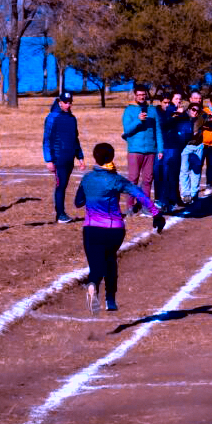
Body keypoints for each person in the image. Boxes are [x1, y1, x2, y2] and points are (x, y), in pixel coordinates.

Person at [74, 143, 165, 313]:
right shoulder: (116, 179)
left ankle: (93, 286)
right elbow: (138, 193)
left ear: (95, 158)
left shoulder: (87, 178)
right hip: (114, 230)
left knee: (96, 267)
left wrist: (92, 196)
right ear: (112, 157)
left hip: (92, 229)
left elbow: (78, 202)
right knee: (110, 260)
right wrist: (156, 214)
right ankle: (111, 299)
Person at [42, 91, 86, 223]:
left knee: (64, 185)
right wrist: (48, 159)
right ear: (59, 103)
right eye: (65, 102)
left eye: (69, 102)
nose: (68, 105)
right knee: (60, 186)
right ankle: (60, 214)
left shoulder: (72, 119)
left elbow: (75, 139)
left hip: (69, 157)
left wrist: (80, 157)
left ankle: (61, 213)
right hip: (58, 158)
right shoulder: (51, 117)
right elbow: (46, 140)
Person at [121, 85, 163, 214]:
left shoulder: (152, 110)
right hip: (135, 150)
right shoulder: (129, 110)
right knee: (133, 179)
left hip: (150, 150)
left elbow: (158, 131)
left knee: (148, 179)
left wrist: (160, 149)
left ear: (146, 95)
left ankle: (146, 206)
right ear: (135, 95)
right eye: (139, 95)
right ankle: (130, 205)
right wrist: (138, 121)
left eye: (143, 94)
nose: (141, 97)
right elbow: (127, 130)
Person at [155, 91, 189, 211]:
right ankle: (163, 200)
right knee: (164, 174)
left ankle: (172, 200)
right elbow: (163, 124)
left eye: (180, 99)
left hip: (176, 146)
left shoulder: (182, 113)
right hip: (165, 146)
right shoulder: (166, 111)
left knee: (172, 174)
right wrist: (175, 116)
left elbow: (187, 127)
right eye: (176, 99)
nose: (178, 101)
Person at [179, 102, 206, 203]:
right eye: (193, 110)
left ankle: (194, 194)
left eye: (197, 111)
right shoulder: (183, 117)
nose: (195, 112)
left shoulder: (202, 116)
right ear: (189, 109)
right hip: (186, 146)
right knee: (184, 170)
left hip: (198, 146)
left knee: (196, 170)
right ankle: (185, 194)